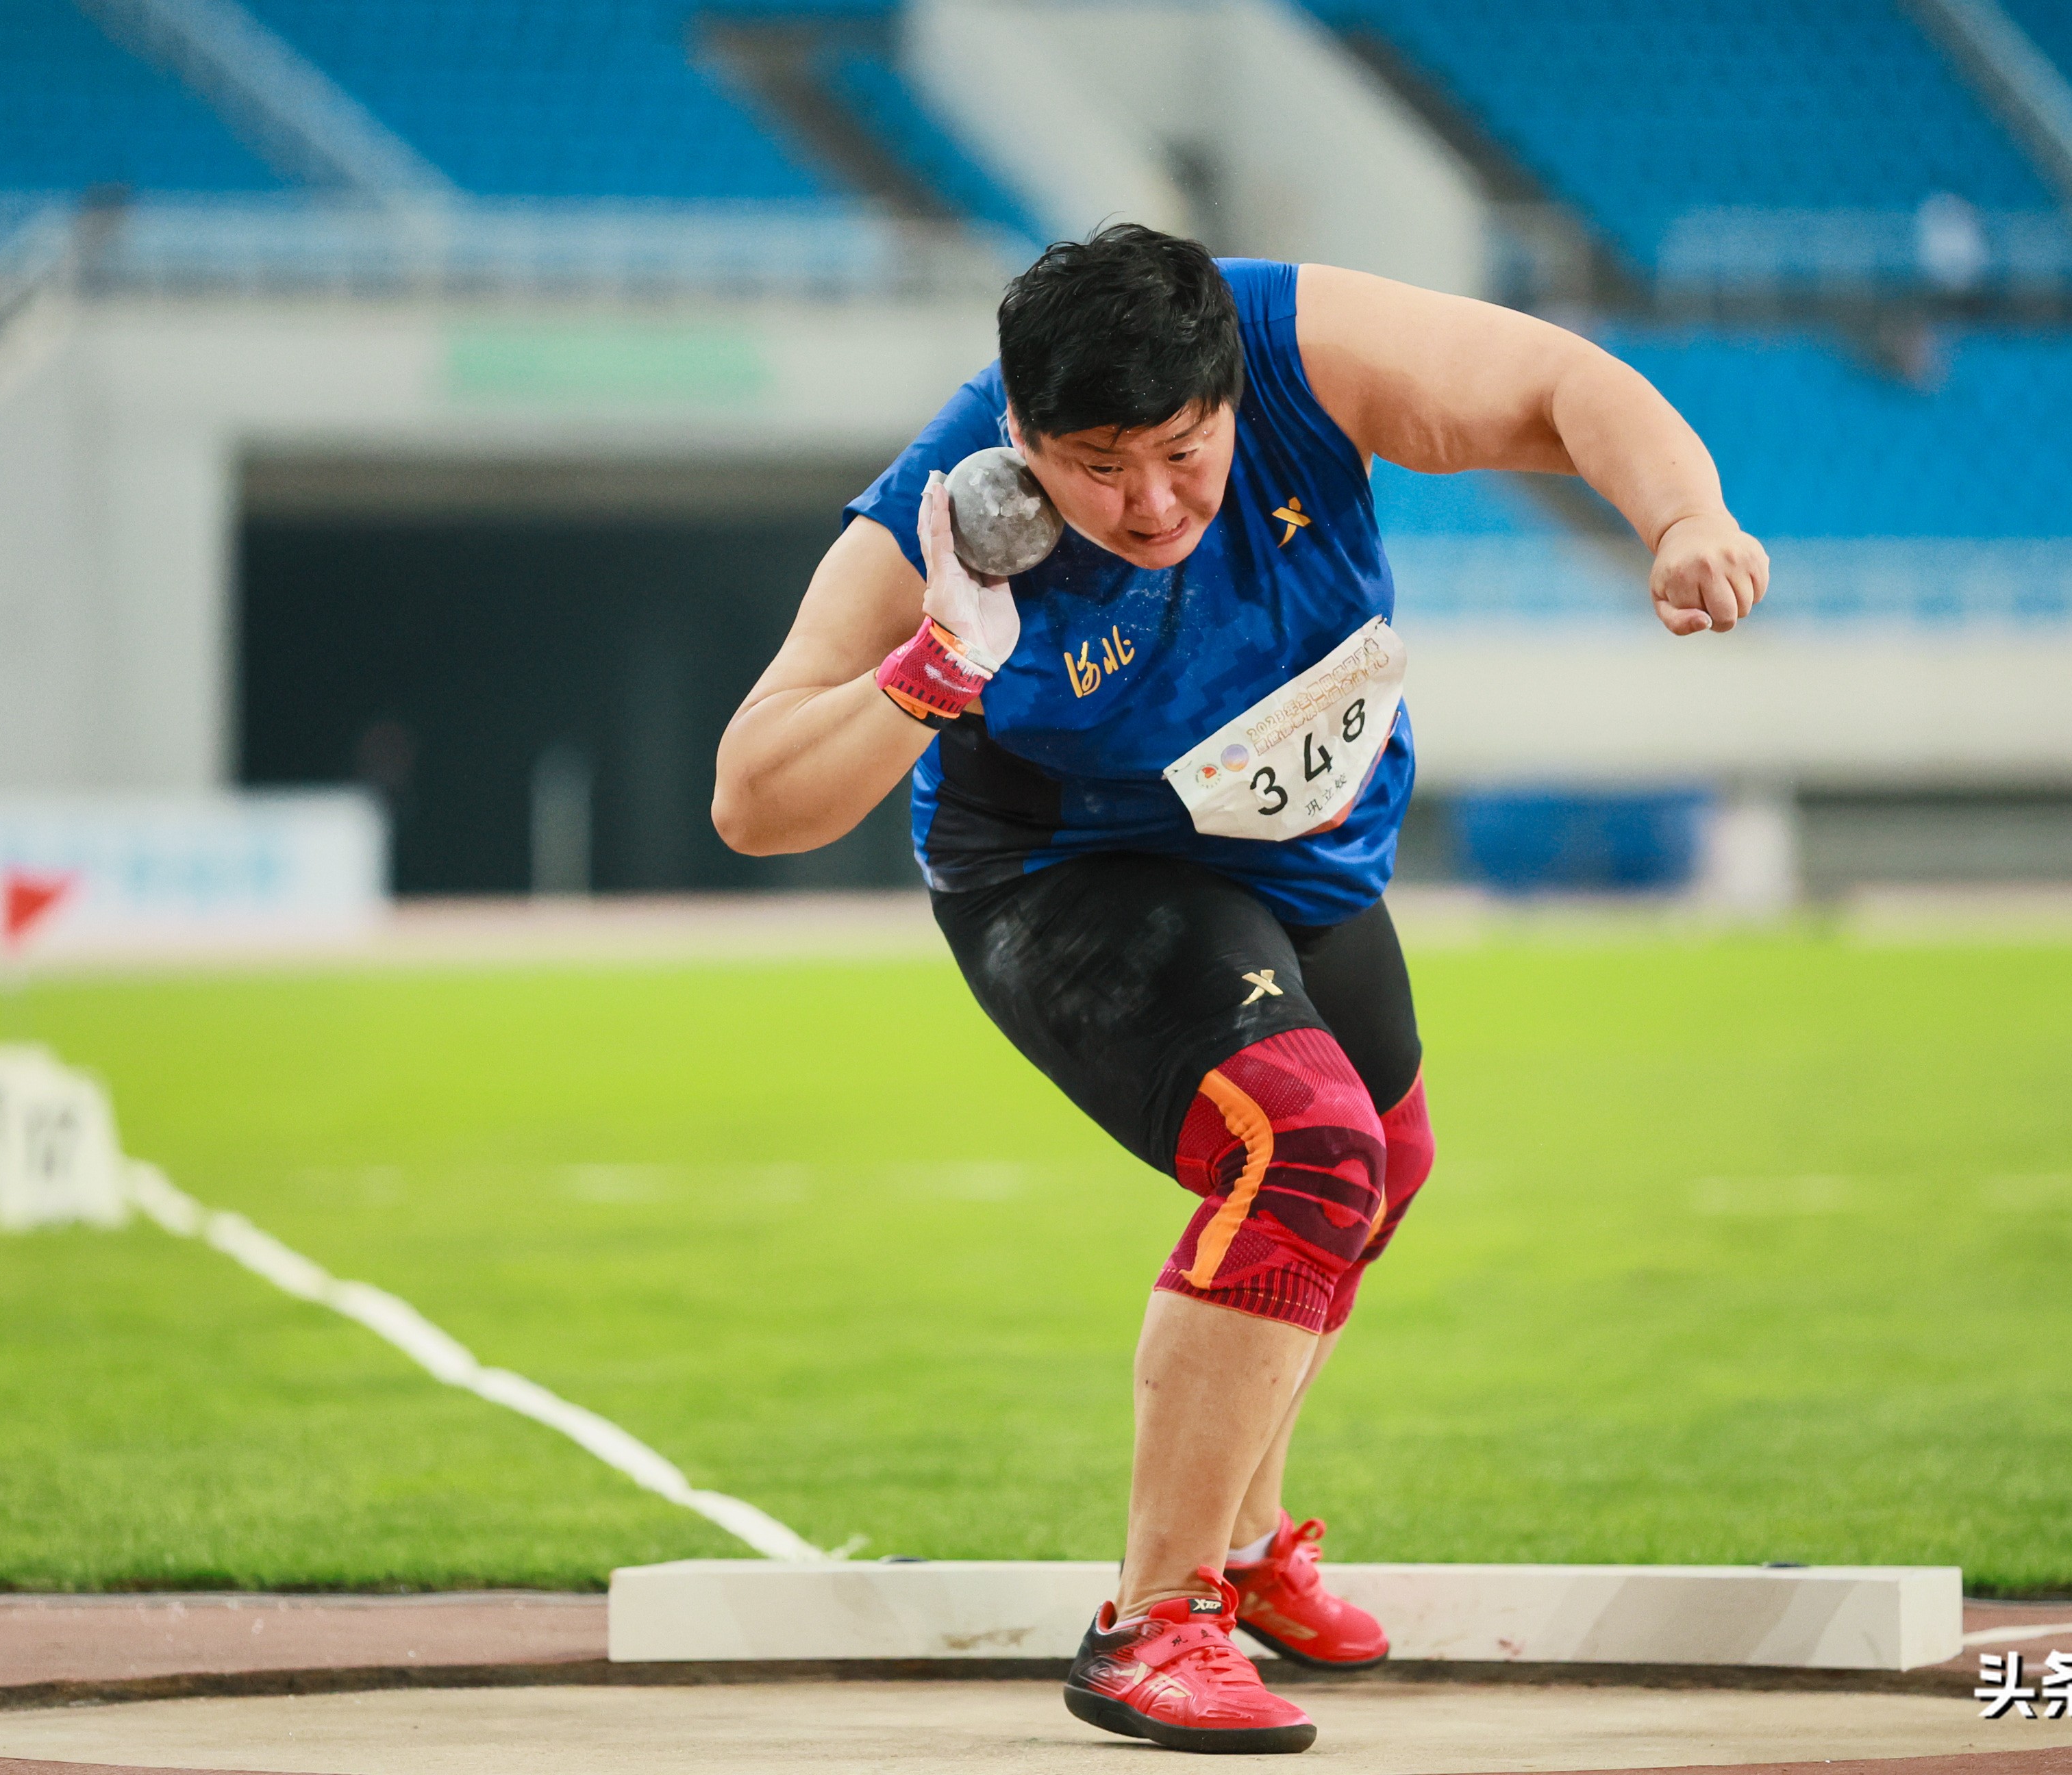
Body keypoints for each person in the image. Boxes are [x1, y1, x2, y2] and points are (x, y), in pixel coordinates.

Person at [710, 226, 1768, 1754]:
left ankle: (1252, 1542)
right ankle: (1153, 1621)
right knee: (1305, 1151)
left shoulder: (1296, 348)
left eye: (1184, 454)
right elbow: (755, 799)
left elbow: (1560, 383)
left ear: (1228, 396)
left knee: (1382, 1167)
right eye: (1095, 467)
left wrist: (1682, 515)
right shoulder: (935, 512)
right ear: (1018, 437)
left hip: (1294, 847)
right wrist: (935, 666)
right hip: (1071, 870)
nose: (1150, 503)